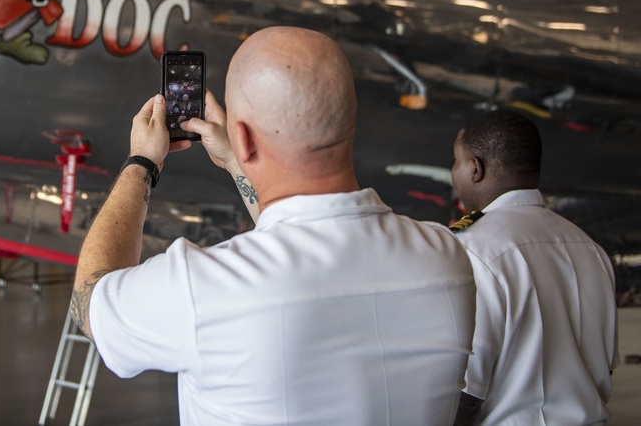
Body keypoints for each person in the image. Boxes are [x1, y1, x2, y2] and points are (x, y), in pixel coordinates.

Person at [71, 27, 476, 425]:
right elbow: (301, 239)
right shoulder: (448, 256)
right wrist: (237, 160)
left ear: (242, 136)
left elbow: (91, 303)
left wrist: (141, 162)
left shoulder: (203, 288)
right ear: (347, 122)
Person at [449, 110, 619, 426]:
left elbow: (467, 393)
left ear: (475, 168)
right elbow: (604, 365)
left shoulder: (469, 249)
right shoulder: (588, 247)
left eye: (456, 162)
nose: (453, 174)